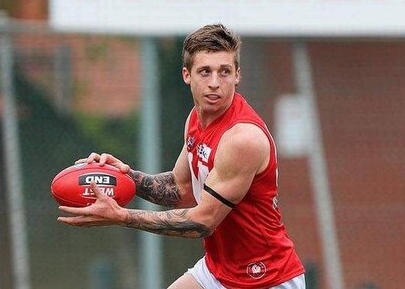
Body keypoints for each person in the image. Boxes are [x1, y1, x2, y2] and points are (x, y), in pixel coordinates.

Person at [58, 24, 306, 289]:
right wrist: (124, 176)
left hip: (265, 277)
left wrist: (122, 216)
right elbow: (180, 188)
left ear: (237, 76)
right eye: (205, 71)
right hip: (218, 270)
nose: (214, 82)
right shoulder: (196, 120)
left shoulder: (242, 139)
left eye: (224, 72)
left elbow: (202, 222)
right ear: (187, 75)